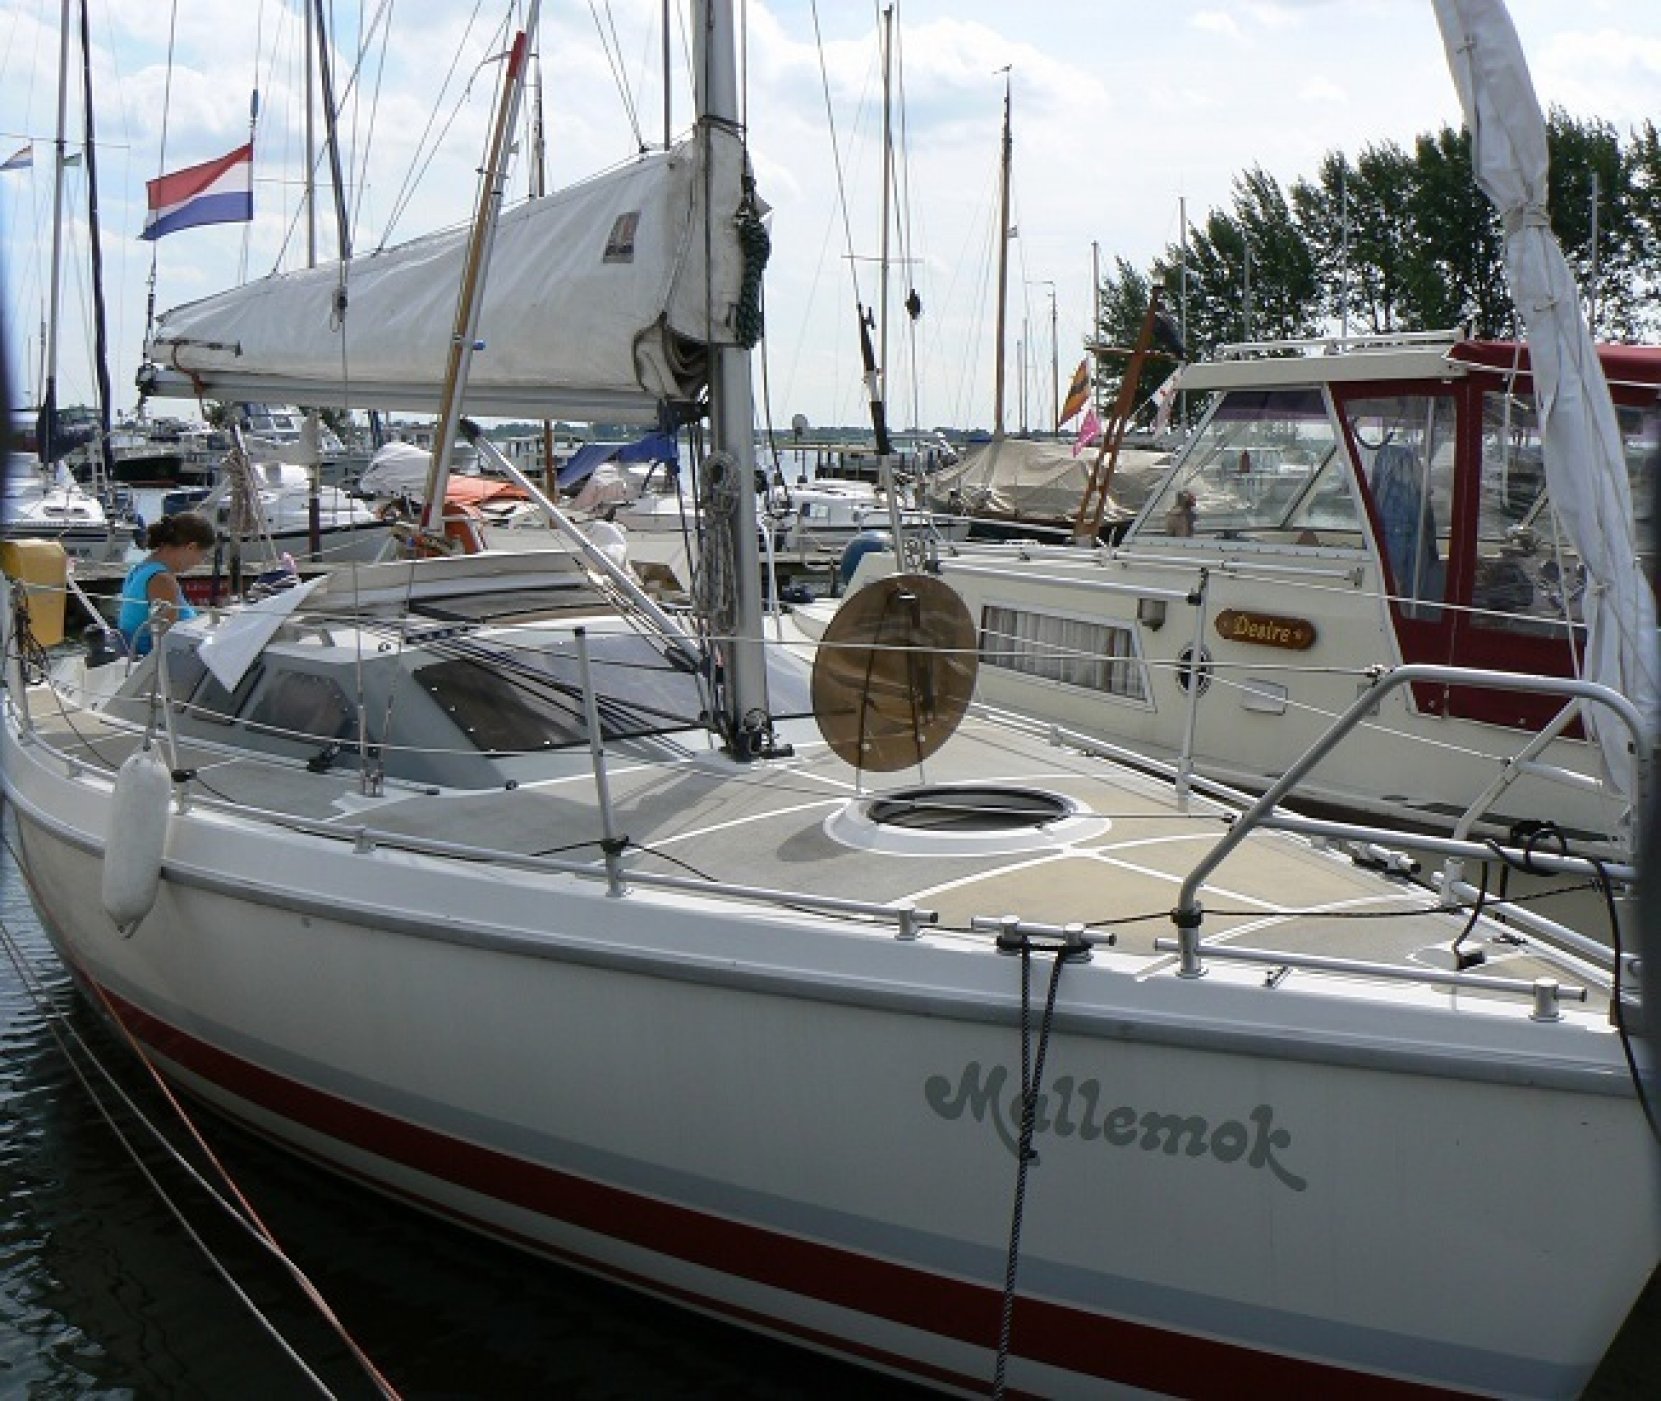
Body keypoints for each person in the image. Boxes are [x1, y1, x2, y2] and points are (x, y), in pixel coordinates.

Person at [117, 512, 216, 655]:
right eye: (203, 555)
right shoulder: (162, 580)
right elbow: (167, 644)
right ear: (191, 547)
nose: (200, 562)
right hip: (152, 661)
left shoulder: (139, 569)